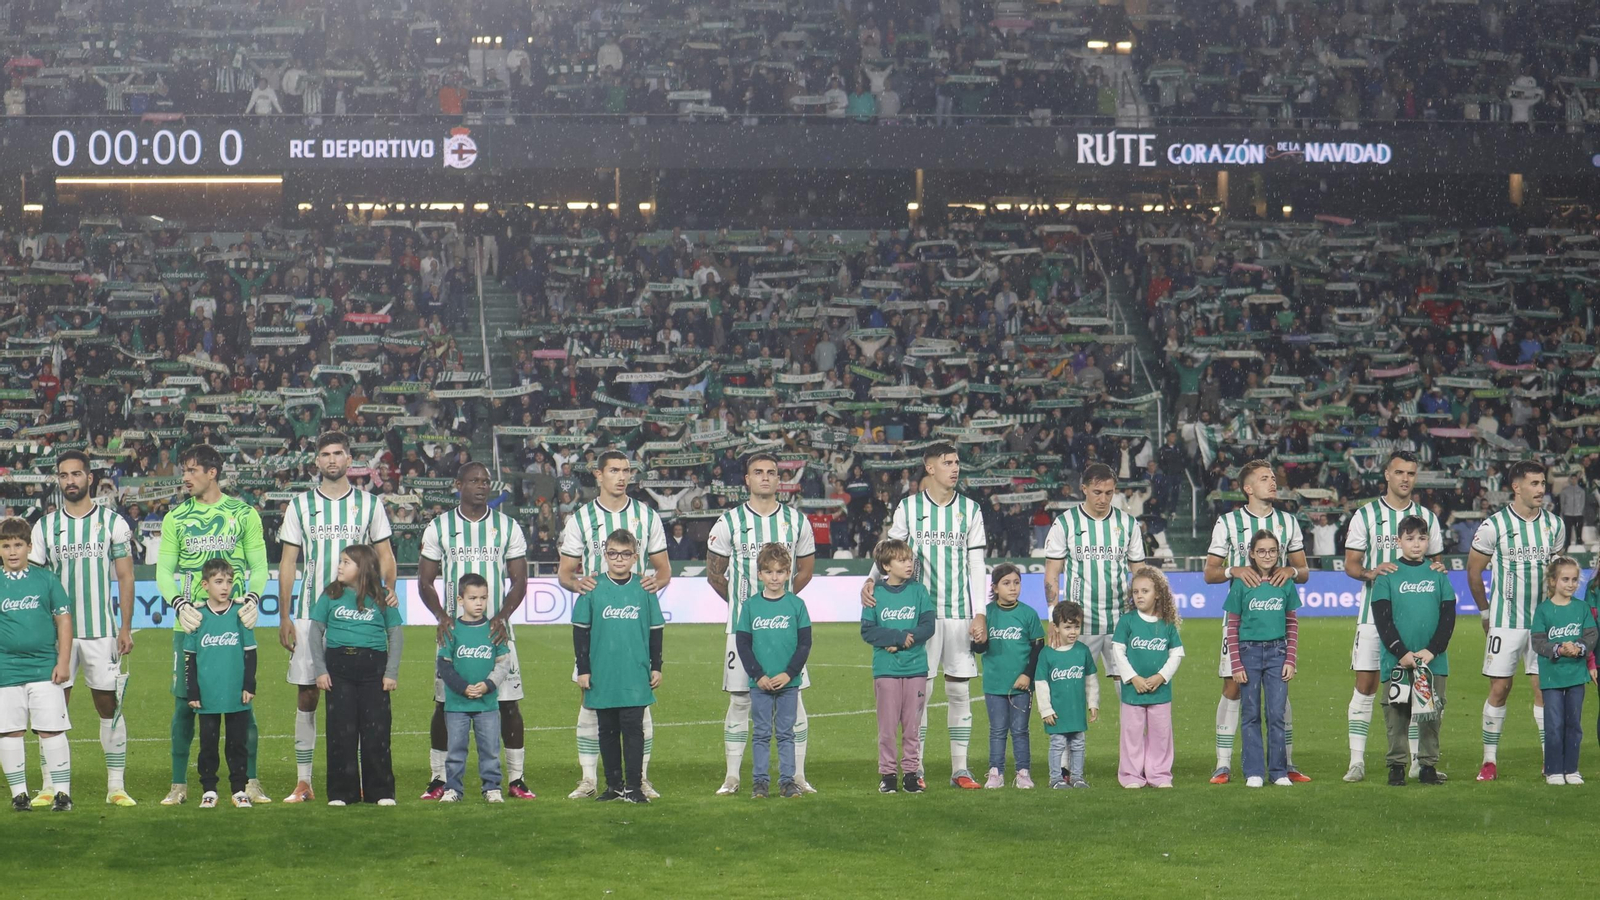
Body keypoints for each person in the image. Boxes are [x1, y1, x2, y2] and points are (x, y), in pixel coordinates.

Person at [277, 432, 397, 804]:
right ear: (317, 461)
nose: (332, 460)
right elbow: (287, 563)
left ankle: (362, 780)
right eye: (325, 454)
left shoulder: (369, 505)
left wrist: (386, 591)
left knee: (363, 697)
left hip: (359, 615)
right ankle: (304, 780)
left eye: (338, 453)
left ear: (350, 460)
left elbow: (386, 555)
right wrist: (284, 615)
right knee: (309, 691)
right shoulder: (299, 506)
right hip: (312, 613)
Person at [859, 443, 988, 790]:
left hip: (960, 614)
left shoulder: (971, 510)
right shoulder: (910, 508)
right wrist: (871, 580)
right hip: (921, 617)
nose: (955, 468)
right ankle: (916, 770)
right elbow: (890, 550)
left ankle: (960, 769)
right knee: (922, 694)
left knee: (959, 692)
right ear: (930, 468)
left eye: (957, 462)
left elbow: (976, 564)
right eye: (948, 463)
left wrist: (980, 613)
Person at [155, 444, 267, 806]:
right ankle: (178, 783)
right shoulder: (175, 518)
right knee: (183, 704)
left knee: (242, 704)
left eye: (191, 470)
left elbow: (260, 566)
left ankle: (249, 780)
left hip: (233, 622)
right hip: (189, 622)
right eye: (184, 471)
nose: (184, 477)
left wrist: (252, 599)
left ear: (212, 472)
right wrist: (179, 603)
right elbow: (164, 571)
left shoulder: (243, 513)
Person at [29, 450, 137, 807]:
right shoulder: (44, 527)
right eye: (63, 476)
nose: (70, 481)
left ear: (89, 478)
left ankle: (116, 786)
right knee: (51, 709)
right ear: (58, 480)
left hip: (101, 631)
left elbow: (124, 577)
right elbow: (36, 582)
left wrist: (125, 627)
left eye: (76, 474)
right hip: (57, 634)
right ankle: (50, 786)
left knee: (109, 705)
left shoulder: (112, 523)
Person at [559, 450, 669, 799]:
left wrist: (657, 581)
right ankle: (591, 779)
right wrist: (579, 585)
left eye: (626, 471)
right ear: (598, 475)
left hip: (633, 622)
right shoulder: (580, 519)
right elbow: (564, 572)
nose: (622, 477)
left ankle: (639, 779)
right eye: (614, 471)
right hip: (597, 624)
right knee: (592, 703)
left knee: (639, 708)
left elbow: (663, 569)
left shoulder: (647, 516)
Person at [416, 461, 530, 800]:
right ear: (458, 484)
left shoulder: (507, 527)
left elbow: (520, 580)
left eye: (485, 481)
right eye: (473, 481)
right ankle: (439, 778)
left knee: (508, 704)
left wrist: (502, 616)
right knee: (444, 703)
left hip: (495, 631)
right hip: (454, 632)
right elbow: (425, 580)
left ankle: (516, 779)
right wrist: (441, 615)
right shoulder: (440, 526)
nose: (481, 486)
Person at [706, 453, 817, 796]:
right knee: (740, 701)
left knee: (793, 701)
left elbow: (806, 570)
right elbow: (715, 575)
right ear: (748, 480)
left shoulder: (797, 522)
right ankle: (733, 776)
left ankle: (795, 776)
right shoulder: (729, 522)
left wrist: (781, 609)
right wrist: (748, 613)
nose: (766, 478)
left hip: (784, 631)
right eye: (758, 472)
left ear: (778, 479)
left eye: (772, 472)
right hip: (743, 632)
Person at [1341, 450, 1446, 783]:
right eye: (1399, 472)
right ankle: (1357, 761)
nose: (1405, 479)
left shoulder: (1426, 517)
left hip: (1417, 618)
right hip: (1375, 618)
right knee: (1367, 685)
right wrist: (1371, 573)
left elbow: (1436, 563)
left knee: (1420, 686)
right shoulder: (1366, 515)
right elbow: (1351, 564)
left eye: (1411, 473)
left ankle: (1417, 761)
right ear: (1386, 474)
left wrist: (1438, 566)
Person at [1202, 459, 1309, 785]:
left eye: (1273, 478)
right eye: (1264, 479)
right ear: (1248, 488)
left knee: (1279, 695)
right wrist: (1233, 570)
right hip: (1241, 623)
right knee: (1233, 686)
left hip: (1276, 620)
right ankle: (1223, 763)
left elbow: (1303, 572)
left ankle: (1285, 763)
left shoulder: (1289, 522)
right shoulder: (1228, 523)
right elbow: (1209, 573)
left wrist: (1290, 570)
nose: (1272, 483)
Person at [1468, 460, 1565, 781]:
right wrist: (1485, 612)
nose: (1541, 489)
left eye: (1542, 483)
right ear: (1517, 487)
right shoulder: (1494, 525)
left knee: (1543, 689)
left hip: (1542, 625)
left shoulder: (1554, 525)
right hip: (1505, 622)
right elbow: (1474, 571)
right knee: (1500, 688)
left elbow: (1557, 574)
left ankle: (1549, 758)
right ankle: (1489, 760)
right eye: (1534, 484)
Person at [572, 529, 664, 804]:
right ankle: (613, 786)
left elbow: (655, 629)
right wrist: (584, 669)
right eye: (613, 553)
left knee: (633, 729)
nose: (619, 559)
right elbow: (581, 631)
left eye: (625, 554)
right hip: (603, 672)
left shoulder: (644, 589)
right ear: (605, 555)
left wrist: (656, 666)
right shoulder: (592, 588)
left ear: (635, 557)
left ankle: (634, 787)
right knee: (607, 730)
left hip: (635, 672)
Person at [1042, 462, 1144, 705]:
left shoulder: (1128, 524)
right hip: (1079, 622)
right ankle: (1070, 744)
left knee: (1130, 689)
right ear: (1084, 489)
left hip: (1120, 620)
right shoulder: (1065, 523)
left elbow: (1140, 573)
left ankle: (1135, 744)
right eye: (1097, 492)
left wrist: (1144, 616)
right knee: (1073, 691)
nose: (1103, 498)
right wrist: (1053, 619)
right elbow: (1051, 575)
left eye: (1109, 493)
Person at [310, 545, 402, 807]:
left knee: (377, 732)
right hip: (339, 669)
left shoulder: (384, 597)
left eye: (346, 562)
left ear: (363, 568)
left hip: (374, 670)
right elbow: (315, 633)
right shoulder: (330, 595)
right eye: (340, 561)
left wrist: (391, 672)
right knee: (341, 732)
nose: (340, 566)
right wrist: (320, 670)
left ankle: (380, 791)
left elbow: (395, 634)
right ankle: (342, 792)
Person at [1370, 515, 1456, 787]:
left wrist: (1433, 650)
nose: (1416, 544)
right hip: (1398, 660)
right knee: (1397, 712)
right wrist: (1400, 652)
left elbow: (1448, 617)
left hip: (1433, 660)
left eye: (1421, 538)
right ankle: (1397, 765)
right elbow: (1382, 620)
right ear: (1399, 541)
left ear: (1428, 540)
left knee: (1431, 713)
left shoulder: (1437, 573)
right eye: (1409, 539)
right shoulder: (1388, 575)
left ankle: (1428, 765)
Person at [0, 516, 73, 812]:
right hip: (5, 670)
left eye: (18, 544)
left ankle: (62, 794)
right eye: (6, 545)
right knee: (9, 731)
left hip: (45, 667)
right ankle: (19, 795)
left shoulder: (47, 580)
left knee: (52, 730)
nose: (12, 551)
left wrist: (64, 660)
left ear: (30, 547)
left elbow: (64, 620)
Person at [734, 544, 813, 799]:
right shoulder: (750, 607)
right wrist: (759, 675)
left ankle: (787, 781)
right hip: (761, 684)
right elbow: (743, 644)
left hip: (788, 683)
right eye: (769, 572)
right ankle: (759, 782)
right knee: (761, 733)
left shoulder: (796, 605)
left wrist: (789, 673)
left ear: (788, 573)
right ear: (760, 575)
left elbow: (805, 644)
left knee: (786, 733)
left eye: (780, 572)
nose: (775, 577)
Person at [1223, 531, 1301, 788]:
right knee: (1251, 713)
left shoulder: (1285, 582)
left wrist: (1291, 658)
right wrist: (1235, 663)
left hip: (1278, 654)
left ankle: (1278, 771)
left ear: (1278, 553)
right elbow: (1232, 626)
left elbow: (1292, 623)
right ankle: (1253, 771)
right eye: (1262, 551)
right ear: (1252, 554)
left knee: (1276, 714)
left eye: (1272, 551)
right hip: (1249, 654)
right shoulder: (1242, 583)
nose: (1267, 556)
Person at [860, 538, 935, 794]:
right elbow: (868, 631)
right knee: (888, 728)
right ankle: (888, 774)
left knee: (912, 727)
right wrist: (897, 637)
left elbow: (928, 627)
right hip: (886, 670)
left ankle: (912, 774)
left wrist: (902, 641)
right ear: (885, 565)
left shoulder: (919, 591)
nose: (909, 564)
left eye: (910, 559)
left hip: (915, 668)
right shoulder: (875, 594)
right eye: (902, 560)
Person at [184, 559, 256, 809]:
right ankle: (209, 789)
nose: (225, 587)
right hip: (207, 693)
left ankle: (239, 789)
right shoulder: (197, 616)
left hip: (236, 692)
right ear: (205, 585)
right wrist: (192, 689)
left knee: (237, 744)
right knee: (208, 745)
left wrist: (249, 685)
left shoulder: (240, 613)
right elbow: (190, 658)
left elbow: (250, 652)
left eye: (228, 581)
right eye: (218, 582)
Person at [437, 573, 514, 802]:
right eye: (473, 598)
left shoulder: (494, 629)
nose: (479, 603)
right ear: (461, 600)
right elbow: (444, 664)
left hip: (486, 702)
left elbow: (504, 663)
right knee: (456, 751)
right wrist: (463, 688)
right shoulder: (451, 629)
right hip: (457, 703)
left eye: (483, 598)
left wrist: (488, 685)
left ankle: (492, 788)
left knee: (490, 750)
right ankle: (453, 789)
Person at [971, 563, 1043, 790]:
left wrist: (1027, 676)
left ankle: (1023, 772)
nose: (1013, 588)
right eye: (1006, 583)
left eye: (1016, 583)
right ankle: (995, 772)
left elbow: (1038, 649)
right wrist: (978, 641)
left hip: (1021, 686)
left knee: (1020, 730)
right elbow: (980, 649)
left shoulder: (1028, 614)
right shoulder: (987, 614)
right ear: (994, 587)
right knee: (998, 730)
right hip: (994, 683)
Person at [1111, 567, 1185, 789]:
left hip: (1160, 692)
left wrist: (1161, 676)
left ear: (1158, 594)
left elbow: (1177, 653)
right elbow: (1118, 650)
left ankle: (1159, 774)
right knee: (1131, 735)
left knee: (1161, 736)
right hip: (1133, 691)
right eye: (1135, 592)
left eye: (1145, 591)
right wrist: (1133, 678)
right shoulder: (1127, 621)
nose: (1139, 595)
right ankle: (1131, 775)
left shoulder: (1167, 623)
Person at [1530, 557, 1595, 785]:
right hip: (1551, 677)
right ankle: (1553, 769)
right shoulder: (1543, 611)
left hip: (1576, 675)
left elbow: (1591, 636)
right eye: (1565, 579)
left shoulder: (1582, 608)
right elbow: (1538, 642)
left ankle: (1572, 769)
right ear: (1552, 581)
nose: (1570, 584)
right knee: (1554, 724)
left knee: (1574, 724)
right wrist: (1558, 648)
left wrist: (1578, 648)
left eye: (1575, 580)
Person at [1034, 600, 1099, 789]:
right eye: (1067, 627)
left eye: (1076, 626)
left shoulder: (1082, 651)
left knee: (1078, 744)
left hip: (1076, 710)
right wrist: (1045, 709)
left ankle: (1077, 777)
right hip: (1057, 712)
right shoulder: (1047, 654)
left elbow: (1091, 679)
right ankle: (1055, 778)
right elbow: (1041, 683)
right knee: (1057, 744)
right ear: (1055, 627)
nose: (1072, 632)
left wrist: (1093, 703)